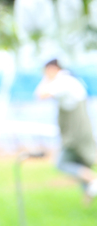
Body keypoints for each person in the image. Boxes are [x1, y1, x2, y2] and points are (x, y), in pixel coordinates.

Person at [35, 58, 97, 203]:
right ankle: (87, 200)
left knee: (63, 163)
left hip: (76, 134)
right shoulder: (67, 79)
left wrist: (46, 79)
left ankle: (94, 180)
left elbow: (41, 95)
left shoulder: (63, 81)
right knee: (84, 163)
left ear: (52, 69)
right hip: (76, 132)